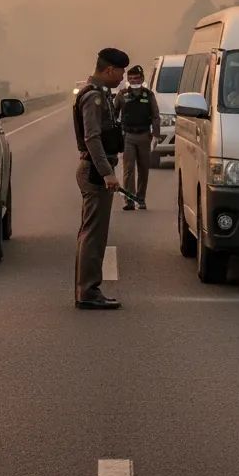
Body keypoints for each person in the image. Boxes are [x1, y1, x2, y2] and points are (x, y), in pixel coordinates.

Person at [74, 47, 129, 309]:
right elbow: (92, 138)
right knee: (93, 235)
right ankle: (88, 292)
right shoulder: (93, 97)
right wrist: (107, 173)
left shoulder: (100, 93)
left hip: (97, 168)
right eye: (120, 72)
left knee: (92, 233)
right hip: (95, 170)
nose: (122, 77)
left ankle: (87, 289)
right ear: (109, 70)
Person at [115, 64, 161, 210]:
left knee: (143, 169)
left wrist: (156, 135)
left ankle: (140, 198)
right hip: (128, 136)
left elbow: (155, 116)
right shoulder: (122, 95)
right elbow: (114, 114)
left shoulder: (148, 95)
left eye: (137, 78)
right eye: (131, 78)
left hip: (144, 136)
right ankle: (129, 200)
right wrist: (115, 133)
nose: (134, 81)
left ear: (142, 79)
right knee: (128, 169)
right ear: (128, 79)